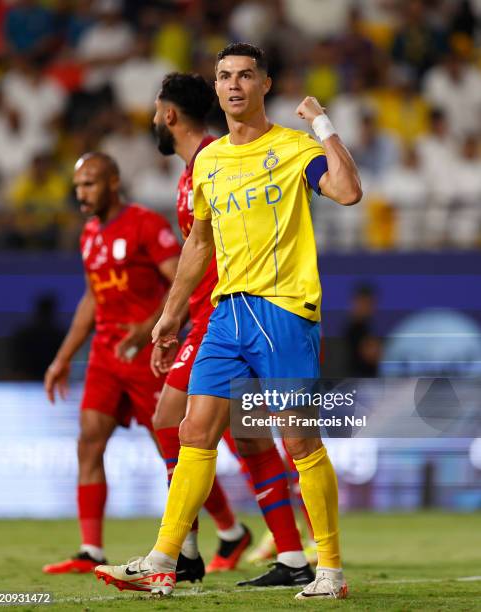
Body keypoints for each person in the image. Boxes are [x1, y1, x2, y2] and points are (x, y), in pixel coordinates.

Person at [96, 42, 361, 600]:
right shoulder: (209, 162)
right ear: (215, 89)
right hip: (225, 313)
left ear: (265, 85)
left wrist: (323, 125)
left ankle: (329, 570)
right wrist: (169, 318)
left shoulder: (292, 149)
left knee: (297, 437)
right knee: (194, 430)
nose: (234, 85)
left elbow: (348, 191)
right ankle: (164, 560)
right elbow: (199, 243)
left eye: (245, 75)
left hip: (285, 311)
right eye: (224, 76)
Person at [150, 71, 314, 584]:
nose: (154, 120)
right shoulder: (198, 166)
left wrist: (185, 318)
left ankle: (190, 547)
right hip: (214, 317)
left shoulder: (216, 158)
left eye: (157, 111)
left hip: (232, 314)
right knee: (250, 439)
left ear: (169, 115)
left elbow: (216, 248)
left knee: (171, 421)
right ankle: (288, 556)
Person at [42, 152, 182, 574]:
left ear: (114, 182)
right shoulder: (88, 234)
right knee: (89, 440)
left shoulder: (145, 224)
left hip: (146, 353)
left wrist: (150, 326)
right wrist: (63, 357)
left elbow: (181, 281)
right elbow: (91, 298)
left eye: (90, 183)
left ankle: (219, 533)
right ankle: (91, 550)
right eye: (78, 185)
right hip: (106, 353)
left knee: (172, 451)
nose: (81, 192)